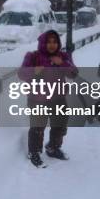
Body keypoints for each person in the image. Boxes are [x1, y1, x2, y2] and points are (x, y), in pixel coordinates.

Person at [19, 30, 78, 168]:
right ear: (43, 43)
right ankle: (34, 152)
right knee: (38, 127)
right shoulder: (33, 56)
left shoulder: (63, 56)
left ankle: (53, 148)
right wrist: (34, 70)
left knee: (60, 124)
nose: (52, 45)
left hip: (58, 98)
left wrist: (62, 63)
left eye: (55, 42)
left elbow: (73, 73)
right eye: (49, 42)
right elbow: (21, 74)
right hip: (37, 99)